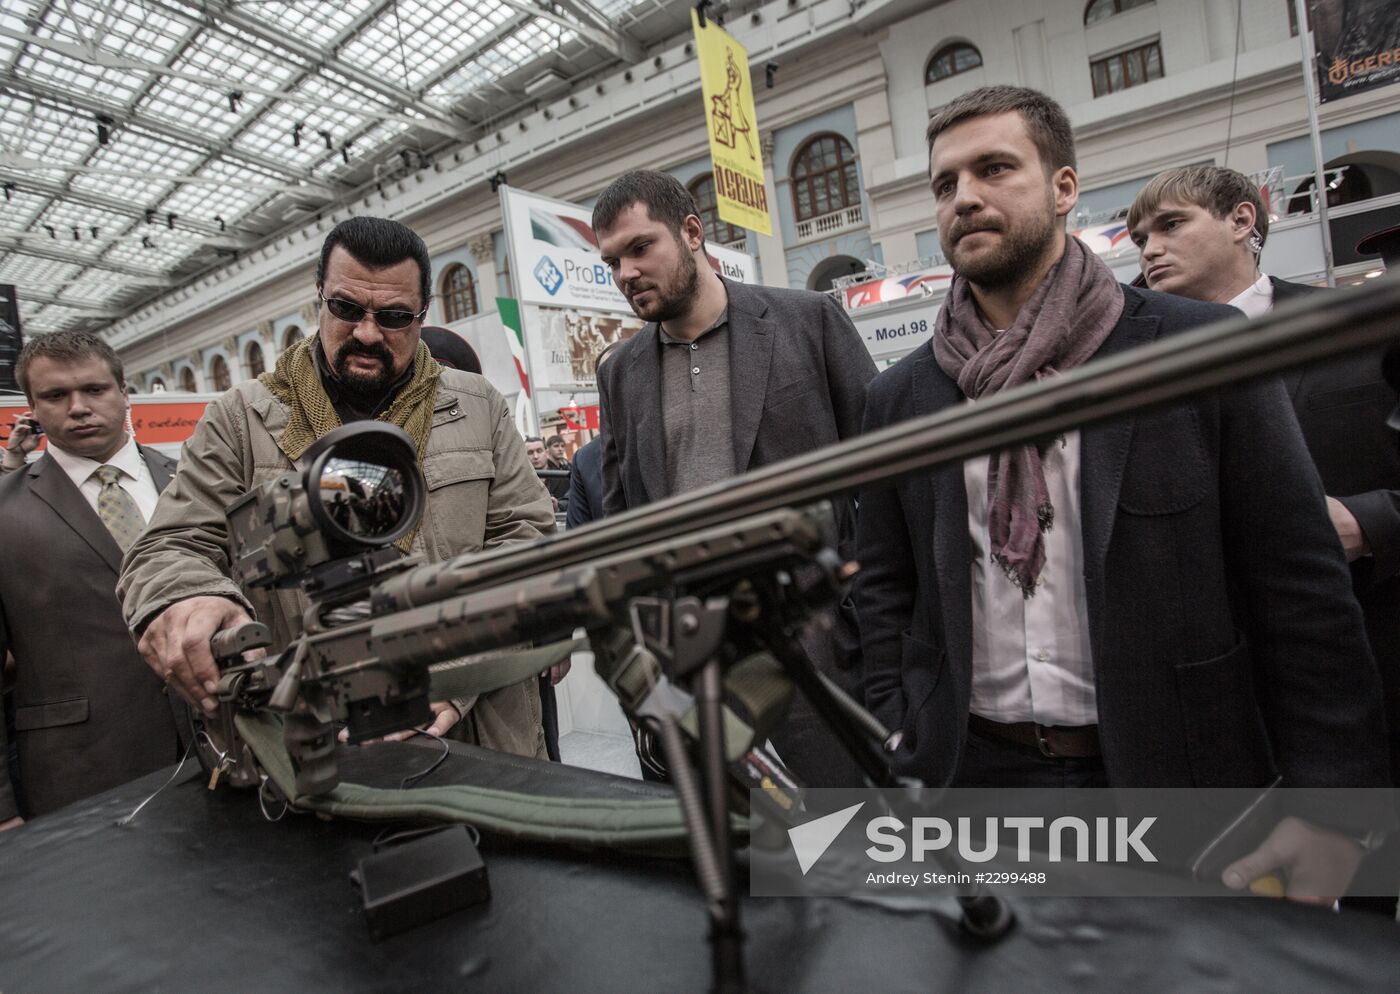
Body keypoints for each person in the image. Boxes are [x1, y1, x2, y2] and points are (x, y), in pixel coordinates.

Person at [855, 85, 1389, 901]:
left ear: (1065, 188)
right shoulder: (903, 398)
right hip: (973, 781)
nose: (965, 197)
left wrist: (1334, 805)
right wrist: (904, 722)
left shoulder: (1192, 348)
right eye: (945, 183)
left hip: (1177, 778)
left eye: (995, 168)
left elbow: (1298, 581)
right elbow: (887, 589)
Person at [118, 217, 555, 757]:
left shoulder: (477, 404)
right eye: (347, 309)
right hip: (308, 738)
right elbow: (169, 545)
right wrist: (192, 595)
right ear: (319, 299)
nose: (368, 333)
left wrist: (448, 671)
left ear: (422, 317)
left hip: (471, 731)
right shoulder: (241, 419)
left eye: (394, 317)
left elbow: (526, 537)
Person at [593, 169, 877, 785]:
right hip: (690, 661)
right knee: (732, 850)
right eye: (613, 261)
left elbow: (884, 479)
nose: (626, 274)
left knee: (843, 843)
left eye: (641, 248)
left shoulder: (809, 321)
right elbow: (620, 522)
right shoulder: (621, 372)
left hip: (815, 644)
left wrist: (883, 634)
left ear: (692, 232)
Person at [1129, 165, 1400, 784]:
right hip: (1210, 703)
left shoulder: (1359, 326)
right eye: (1140, 238)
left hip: (1375, 662)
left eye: (1170, 225)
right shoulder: (1127, 370)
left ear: (1241, 220)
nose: (1150, 249)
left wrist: (1368, 520)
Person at [0, 331, 188, 828]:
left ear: (125, 391)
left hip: (220, 748)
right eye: (56, 396)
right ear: (33, 408)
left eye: (94, 390)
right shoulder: (4, 511)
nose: (78, 408)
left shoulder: (193, 483)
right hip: (82, 775)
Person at [565, 340, 624, 529]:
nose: (614, 385)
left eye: (621, 373)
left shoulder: (674, 434)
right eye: (605, 378)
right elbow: (577, 536)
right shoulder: (586, 458)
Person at [526, 435, 570, 503]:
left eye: (539, 451)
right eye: (530, 452)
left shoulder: (563, 477)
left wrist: (558, 505)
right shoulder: (519, 481)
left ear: (546, 453)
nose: (535, 456)